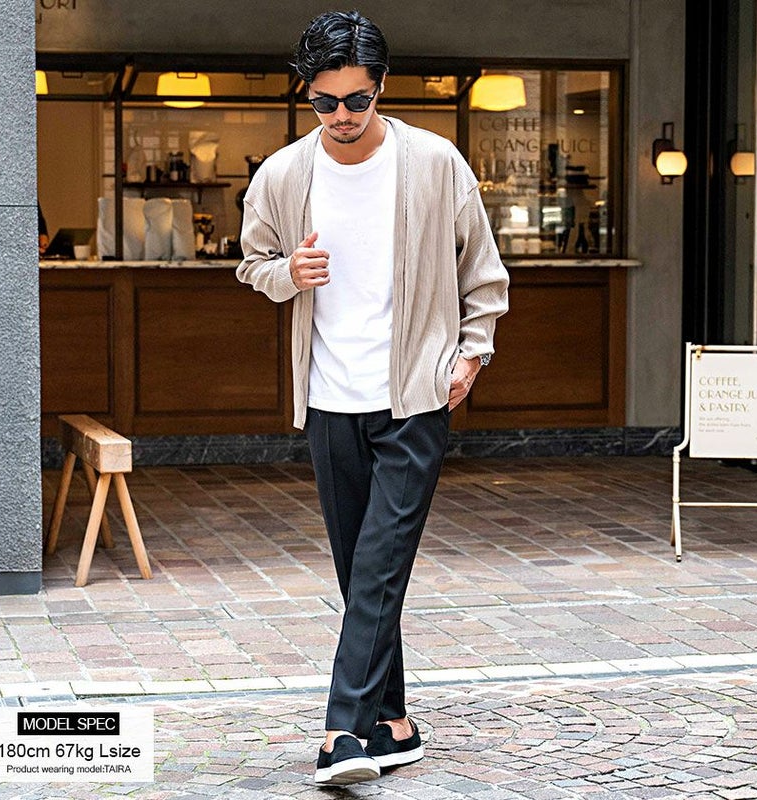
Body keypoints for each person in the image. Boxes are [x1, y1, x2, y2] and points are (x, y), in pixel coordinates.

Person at [237, 10, 509, 787]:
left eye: (356, 99)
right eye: (325, 102)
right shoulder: (283, 175)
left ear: (382, 87)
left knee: (379, 565)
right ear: (307, 95)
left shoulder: (435, 164)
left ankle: (340, 733)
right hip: (330, 401)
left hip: (414, 396)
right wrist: (288, 273)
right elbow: (252, 264)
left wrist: (471, 356)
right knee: (363, 573)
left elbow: (484, 275)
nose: (342, 116)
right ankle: (394, 725)